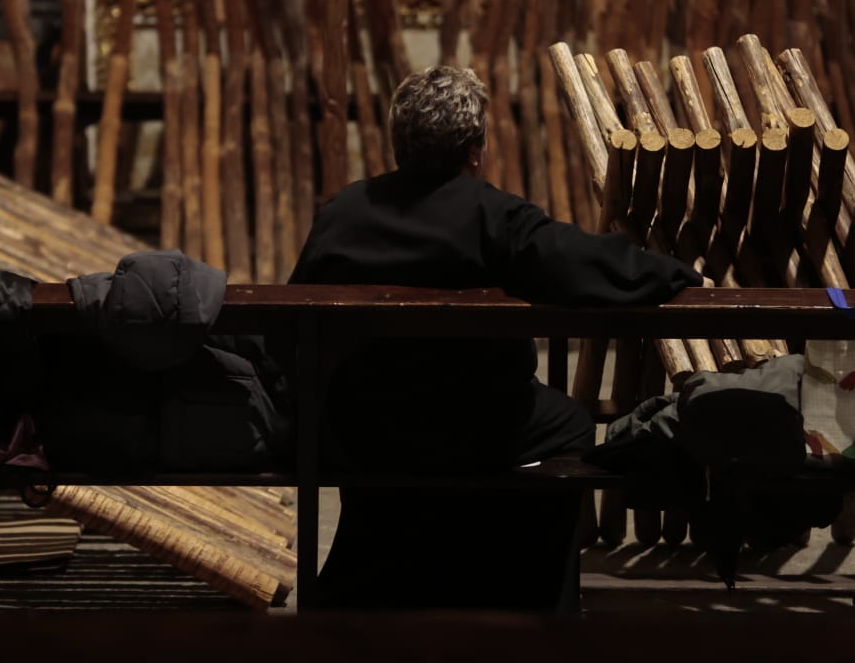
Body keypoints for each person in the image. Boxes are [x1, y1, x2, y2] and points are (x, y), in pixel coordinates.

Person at [289, 65, 703, 612]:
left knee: (393, 424)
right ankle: (531, 587)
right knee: (571, 422)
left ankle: (388, 569)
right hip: (477, 424)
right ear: (476, 149)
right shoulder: (494, 216)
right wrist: (679, 274)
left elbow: (293, 321)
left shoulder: (341, 213)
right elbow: (584, 264)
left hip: (364, 427)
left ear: (397, 144)